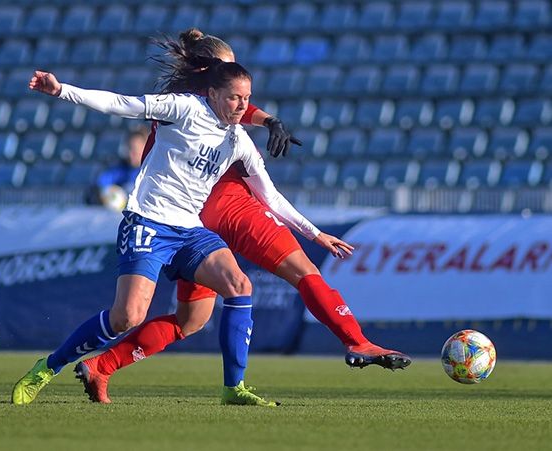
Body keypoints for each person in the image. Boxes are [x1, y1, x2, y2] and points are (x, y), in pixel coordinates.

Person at [72, 29, 412, 405]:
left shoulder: (181, 102)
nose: (236, 83)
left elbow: (237, 107)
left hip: (190, 222)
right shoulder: (199, 106)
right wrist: (269, 122)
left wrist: (267, 120)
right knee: (302, 272)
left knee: (191, 320)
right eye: (227, 71)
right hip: (229, 208)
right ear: (210, 75)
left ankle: (102, 366)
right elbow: (255, 152)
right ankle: (356, 341)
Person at [12, 59, 355, 407]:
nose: (241, 106)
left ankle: (233, 388)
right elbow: (122, 103)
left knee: (239, 286)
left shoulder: (238, 141)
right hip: (148, 221)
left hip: (190, 229)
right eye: (234, 97)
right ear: (213, 94)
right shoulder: (184, 108)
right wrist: (61, 90)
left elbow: (271, 197)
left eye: (246, 98)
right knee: (127, 317)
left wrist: (315, 235)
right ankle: (48, 366)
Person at [95, 127, 149, 211]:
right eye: (129, 149)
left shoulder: (151, 172)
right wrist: (107, 192)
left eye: (135, 150)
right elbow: (101, 184)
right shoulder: (120, 169)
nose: (131, 154)